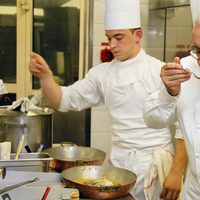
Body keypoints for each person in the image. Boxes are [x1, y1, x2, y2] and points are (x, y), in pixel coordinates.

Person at [29, 0, 187, 199]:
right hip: (118, 165)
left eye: (119, 37)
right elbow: (64, 99)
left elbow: (184, 126)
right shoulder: (102, 74)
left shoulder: (158, 70)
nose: (112, 44)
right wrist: (45, 77)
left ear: (138, 35)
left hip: (156, 164)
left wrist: (176, 172)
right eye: (109, 37)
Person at [143, 13, 200, 199]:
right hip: (194, 190)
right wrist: (169, 92)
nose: (199, 61)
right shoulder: (186, 68)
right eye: (198, 50)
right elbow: (153, 120)